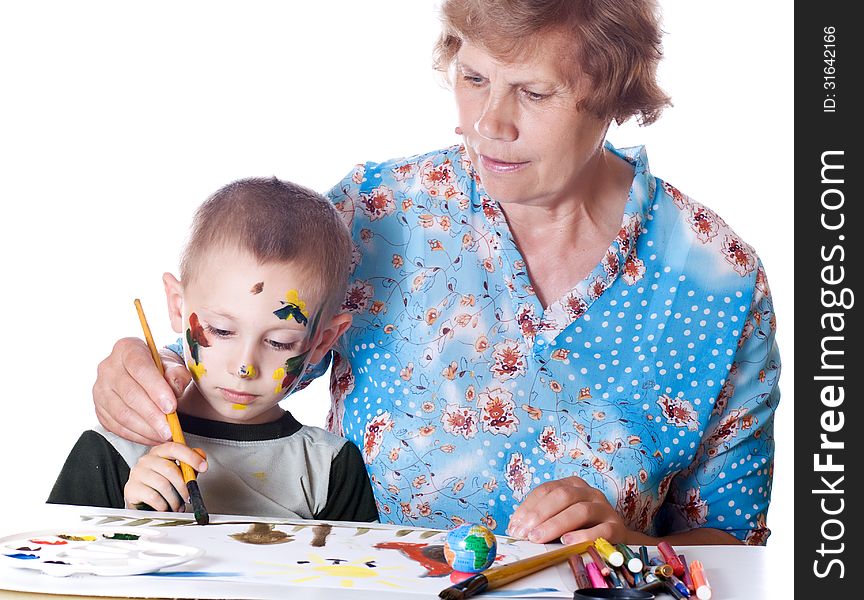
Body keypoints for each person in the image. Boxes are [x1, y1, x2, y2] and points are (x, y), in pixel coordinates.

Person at [90, 0, 779, 546]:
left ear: (613, 90)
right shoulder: (377, 212)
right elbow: (227, 374)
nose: (487, 124)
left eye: (534, 93)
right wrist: (144, 374)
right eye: (474, 78)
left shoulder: (719, 281)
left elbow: (732, 546)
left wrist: (627, 543)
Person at [49, 177, 377, 522]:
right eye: (221, 330)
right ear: (178, 306)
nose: (244, 366)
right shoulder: (112, 452)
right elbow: (46, 566)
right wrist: (134, 523)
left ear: (321, 341)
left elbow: (354, 574)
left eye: (280, 341)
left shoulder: (329, 467)